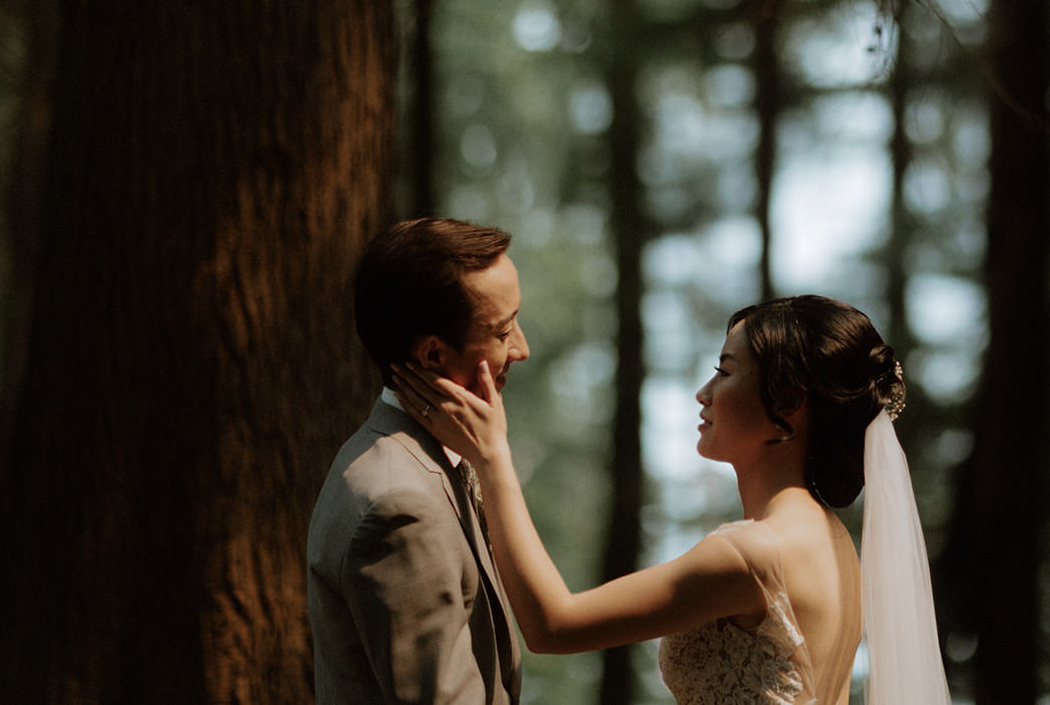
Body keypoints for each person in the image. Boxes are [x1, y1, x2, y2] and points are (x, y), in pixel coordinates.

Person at [391, 294, 950, 705]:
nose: (704, 393)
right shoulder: (834, 541)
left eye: (725, 372)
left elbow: (553, 625)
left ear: (788, 402)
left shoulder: (752, 555)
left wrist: (493, 458)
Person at [307, 217, 529, 704]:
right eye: (502, 331)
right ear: (432, 355)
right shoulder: (400, 506)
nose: (522, 348)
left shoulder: (416, 459)